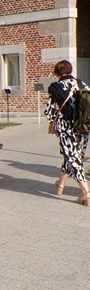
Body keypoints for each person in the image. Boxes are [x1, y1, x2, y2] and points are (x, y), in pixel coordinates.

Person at [45, 60, 90, 205]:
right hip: (82, 127)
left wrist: (52, 122)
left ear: (57, 72)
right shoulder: (81, 83)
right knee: (72, 156)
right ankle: (61, 184)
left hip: (66, 128)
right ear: (70, 71)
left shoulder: (55, 87)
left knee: (73, 158)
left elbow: (49, 111)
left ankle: (86, 193)